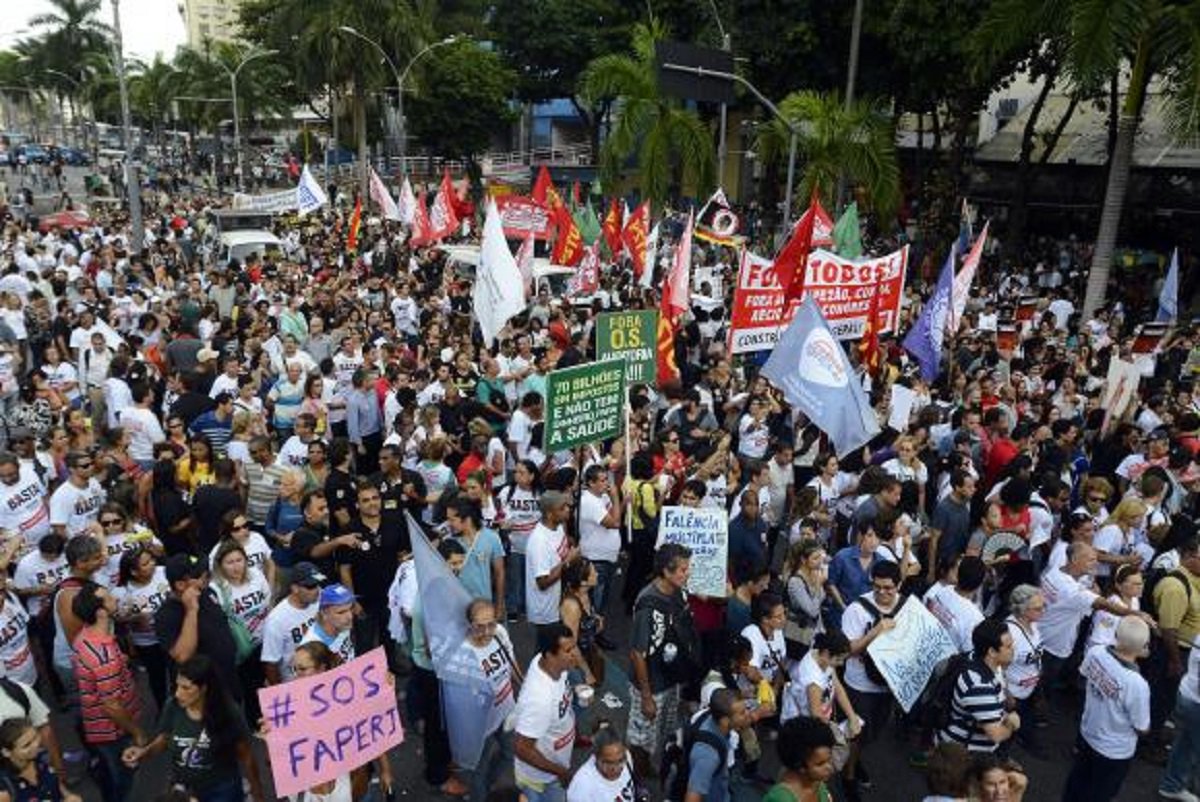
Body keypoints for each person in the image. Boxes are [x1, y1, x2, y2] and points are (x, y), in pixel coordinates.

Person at [121, 655, 266, 802]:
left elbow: (246, 756)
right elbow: (165, 739)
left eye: (186, 688)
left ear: (204, 688)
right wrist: (144, 753)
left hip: (221, 790)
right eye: (178, 685)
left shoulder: (229, 713)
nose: (178, 693)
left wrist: (258, 793)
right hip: (184, 789)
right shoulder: (173, 706)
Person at [1060, 616, 1151, 802]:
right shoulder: (1136, 683)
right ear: (1144, 646)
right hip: (1114, 751)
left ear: (1116, 635)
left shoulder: (1096, 652)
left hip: (1088, 733)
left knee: (1075, 785)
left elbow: (1084, 674)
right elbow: (1141, 727)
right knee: (1099, 795)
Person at [628, 543, 695, 778]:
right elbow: (637, 654)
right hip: (651, 685)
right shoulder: (648, 604)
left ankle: (646, 768)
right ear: (666, 572)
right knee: (641, 738)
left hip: (670, 679)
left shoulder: (679, 592)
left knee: (661, 731)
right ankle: (636, 778)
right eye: (683, 570)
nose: (688, 574)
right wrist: (646, 696)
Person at [70, 582, 141, 802]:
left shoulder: (85, 635)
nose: (115, 599)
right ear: (100, 611)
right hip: (113, 730)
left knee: (111, 771)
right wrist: (137, 732)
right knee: (124, 776)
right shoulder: (103, 656)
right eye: (109, 598)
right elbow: (112, 706)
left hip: (96, 724)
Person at [457, 599, 521, 802]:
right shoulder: (463, 655)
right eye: (479, 627)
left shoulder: (499, 633)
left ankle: (488, 783)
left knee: (510, 754)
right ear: (469, 625)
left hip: (507, 713)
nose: (486, 632)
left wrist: (524, 687)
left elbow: (511, 662)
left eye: (490, 624)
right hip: (480, 727)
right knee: (478, 771)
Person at [153, 553, 241, 701]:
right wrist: (191, 610)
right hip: (203, 693)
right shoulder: (165, 616)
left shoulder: (207, 592)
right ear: (180, 585)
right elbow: (182, 656)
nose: (206, 578)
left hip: (229, 677)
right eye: (200, 576)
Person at [512, 622, 578, 802]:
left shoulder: (553, 666)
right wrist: (561, 772)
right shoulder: (539, 699)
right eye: (568, 650)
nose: (575, 654)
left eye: (574, 646)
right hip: (541, 780)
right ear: (550, 655)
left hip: (555, 766)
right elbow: (522, 748)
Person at [937, 619, 1020, 754]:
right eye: (1008, 646)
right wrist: (1011, 723)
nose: (1013, 649)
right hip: (966, 754)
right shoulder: (979, 687)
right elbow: (997, 734)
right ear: (992, 652)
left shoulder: (975, 657)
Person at [526, 491, 579, 653]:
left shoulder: (557, 527)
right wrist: (568, 561)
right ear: (550, 514)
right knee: (544, 654)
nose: (568, 510)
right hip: (545, 610)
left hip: (557, 603)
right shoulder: (539, 541)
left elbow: (561, 549)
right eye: (562, 508)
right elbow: (543, 582)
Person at [260, 562, 323, 685]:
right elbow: (271, 663)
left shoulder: (319, 598)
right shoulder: (277, 620)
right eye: (310, 586)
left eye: (318, 584)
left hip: (320, 672)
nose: (317, 590)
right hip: (295, 682)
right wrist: (280, 692)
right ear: (295, 588)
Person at [681, 687, 744, 802]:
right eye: (742, 713)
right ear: (725, 720)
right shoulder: (708, 756)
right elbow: (692, 797)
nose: (746, 716)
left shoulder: (713, 718)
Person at [0, 717, 82, 802]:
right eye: (27, 745)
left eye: (35, 737)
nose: (35, 745)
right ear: (6, 752)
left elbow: (55, 782)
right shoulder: (4, 787)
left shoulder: (42, 756)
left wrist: (68, 796)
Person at [1159, 633, 1200, 801]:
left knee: (1185, 745)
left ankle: (1172, 785)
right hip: (1195, 703)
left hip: (1189, 696)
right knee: (1189, 747)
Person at [577, 465, 621, 621]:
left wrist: (620, 502)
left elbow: (615, 515)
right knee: (596, 602)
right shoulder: (589, 502)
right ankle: (592, 636)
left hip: (606, 557)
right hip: (596, 560)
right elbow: (614, 523)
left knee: (602, 601)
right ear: (590, 483)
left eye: (606, 480)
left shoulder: (602, 497)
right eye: (602, 481)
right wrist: (616, 497)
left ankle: (597, 633)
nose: (606, 484)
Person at [762, 716, 838, 802]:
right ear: (799, 766)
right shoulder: (780, 799)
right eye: (820, 764)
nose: (830, 768)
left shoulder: (817, 781)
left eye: (829, 759)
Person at [566, 724, 634, 802]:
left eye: (620, 761)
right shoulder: (581, 789)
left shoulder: (626, 756)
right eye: (608, 763)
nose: (616, 768)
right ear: (595, 756)